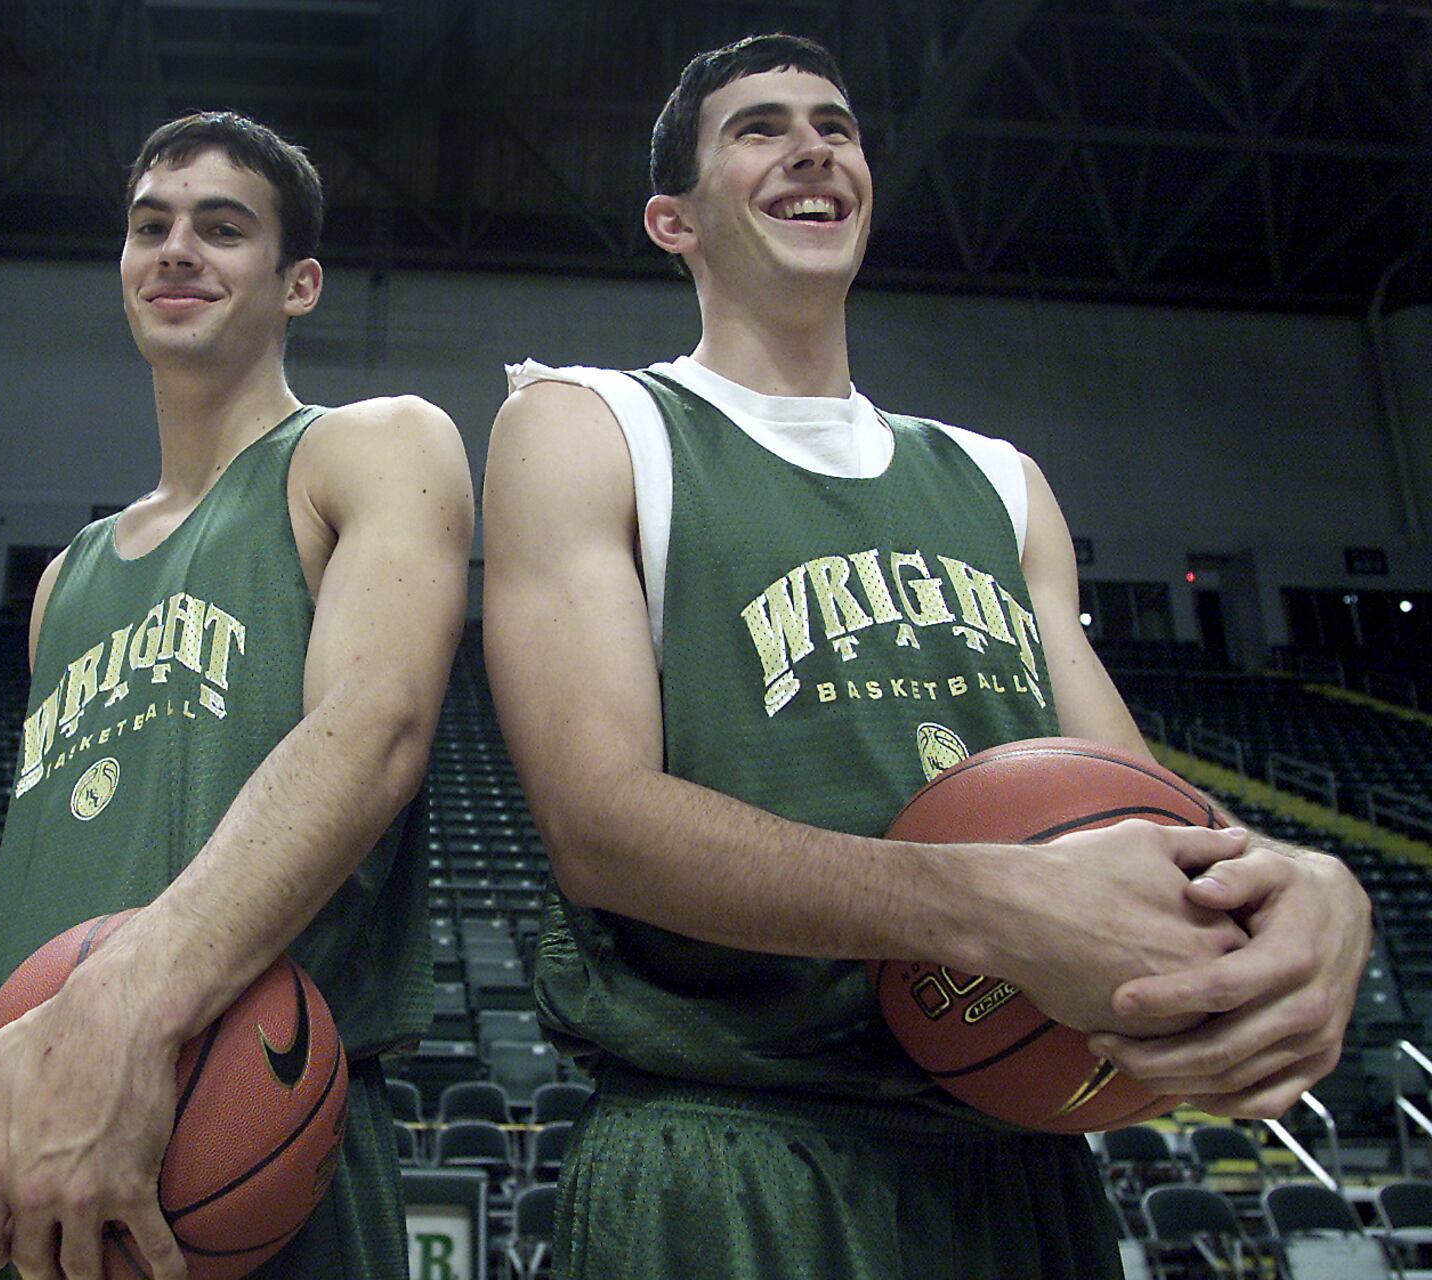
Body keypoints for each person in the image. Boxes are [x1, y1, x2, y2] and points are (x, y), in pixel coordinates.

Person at [480, 34, 1371, 1280]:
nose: (813, 146)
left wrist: (1295, 882)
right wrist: (991, 909)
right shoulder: (587, 424)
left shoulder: (1002, 480)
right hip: (735, 1144)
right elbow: (600, 824)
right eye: (759, 128)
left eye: (836, 127)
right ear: (671, 221)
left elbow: (1141, 808)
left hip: (1018, 1160)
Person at [0, 111, 474, 1280]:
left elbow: (374, 729)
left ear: (298, 282)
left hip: (240, 1144)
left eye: (222, 227)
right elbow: (14, 929)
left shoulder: (367, 449)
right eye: (149, 226)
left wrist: (123, 1015)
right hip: (7, 1171)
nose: (176, 249)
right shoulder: (66, 583)